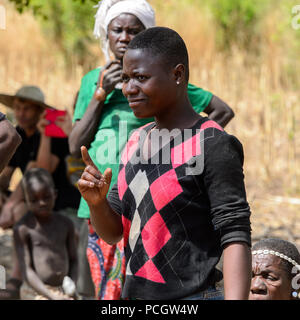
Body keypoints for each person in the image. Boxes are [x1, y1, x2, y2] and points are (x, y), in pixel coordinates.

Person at [69, 0, 235, 300]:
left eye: (141, 78)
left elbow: (234, 232)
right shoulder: (134, 142)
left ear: (177, 74)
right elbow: (116, 230)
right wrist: (96, 202)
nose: (129, 88)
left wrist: (189, 142)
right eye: (117, 30)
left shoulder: (211, 142)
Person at [0, 85, 81, 299]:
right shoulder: (18, 133)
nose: (21, 113)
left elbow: (40, 171)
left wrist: (45, 135)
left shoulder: (54, 135)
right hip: (30, 198)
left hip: (55, 200)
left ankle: (18, 277)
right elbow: (7, 174)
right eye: (17, 108)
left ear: (39, 112)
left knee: (19, 211)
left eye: (27, 109)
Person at [13, 168, 78, 300]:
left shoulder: (66, 224)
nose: (42, 203)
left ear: (55, 194)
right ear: (26, 201)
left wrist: (72, 285)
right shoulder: (23, 228)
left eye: (46, 197)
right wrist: (51, 296)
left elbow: (74, 260)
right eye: (34, 200)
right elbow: (27, 270)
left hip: (63, 290)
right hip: (36, 292)